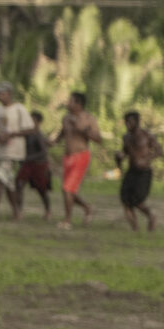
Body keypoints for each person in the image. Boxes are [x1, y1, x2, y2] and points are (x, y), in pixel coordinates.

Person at [0, 83, 34, 218]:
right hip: (2, 150)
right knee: (9, 183)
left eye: (2, 93)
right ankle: (16, 211)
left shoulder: (19, 109)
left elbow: (30, 129)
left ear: (9, 93)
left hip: (14, 151)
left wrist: (12, 134)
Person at [57, 91, 101, 228]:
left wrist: (82, 130)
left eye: (70, 101)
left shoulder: (88, 118)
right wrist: (53, 141)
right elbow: (63, 133)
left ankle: (67, 221)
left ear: (78, 104)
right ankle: (87, 208)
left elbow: (99, 139)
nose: (67, 103)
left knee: (67, 189)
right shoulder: (65, 118)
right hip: (67, 157)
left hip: (81, 156)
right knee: (68, 191)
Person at [117, 111, 161, 233]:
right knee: (125, 200)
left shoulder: (147, 136)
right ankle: (135, 229)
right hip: (131, 171)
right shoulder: (126, 137)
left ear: (137, 122)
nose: (127, 125)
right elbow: (124, 152)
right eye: (126, 122)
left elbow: (159, 151)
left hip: (144, 172)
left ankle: (151, 215)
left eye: (129, 122)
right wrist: (120, 157)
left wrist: (146, 159)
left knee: (137, 201)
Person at [16, 111, 53, 218]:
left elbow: (43, 152)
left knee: (41, 189)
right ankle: (19, 211)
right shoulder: (27, 134)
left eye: (32, 120)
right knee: (19, 184)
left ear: (38, 122)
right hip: (28, 164)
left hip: (39, 165)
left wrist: (27, 158)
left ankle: (48, 211)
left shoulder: (38, 135)